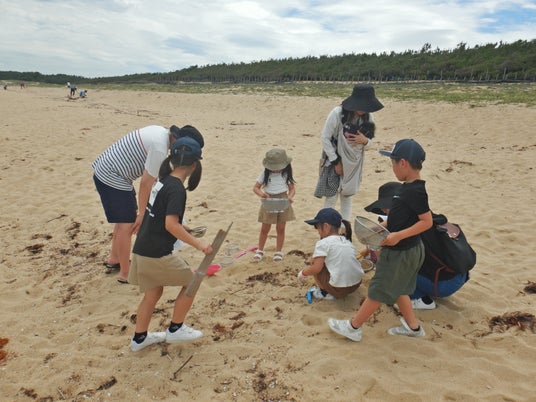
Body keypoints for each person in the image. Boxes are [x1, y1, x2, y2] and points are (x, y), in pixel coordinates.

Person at [328, 139, 433, 341]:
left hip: (401, 252)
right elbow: (402, 218)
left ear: (403, 163)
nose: (392, 167)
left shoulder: (415, 191)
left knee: (379, 288)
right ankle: (413, 327)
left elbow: (426, 222)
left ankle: (353, 327)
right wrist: (381, 227)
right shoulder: (407, 188)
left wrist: (398, 235)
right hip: (407, 249)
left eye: (393, 163)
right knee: (399, 288)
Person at [128, 136, 212, 352]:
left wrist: (185, 229)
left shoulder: (163, 181)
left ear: (172, 159)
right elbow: (170, 225)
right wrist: (199, 244)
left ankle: (139, 339)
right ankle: (176, 328)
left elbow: (159, 216)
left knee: (153, 293)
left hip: (142, 247)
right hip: (156, 252)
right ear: (195, 164)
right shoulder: (176, 189)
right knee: (192, 282)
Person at [92, 125, 204, 283]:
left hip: (108, 172)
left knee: (123, 222)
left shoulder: (160, 134)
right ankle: (125, 273)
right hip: (112, 176)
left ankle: (115, 259)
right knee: (127, 225)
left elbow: (154, 182)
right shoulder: (159, 147)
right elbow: (146, 183)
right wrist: (142, 214)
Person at [364, 181, 470, 310]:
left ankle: (421, 299)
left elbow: (388, 264)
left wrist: (375, 247)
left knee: (392, 272)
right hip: (460, 274)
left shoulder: (404, 231)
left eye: (386, 209)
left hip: (443, 285)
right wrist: (379, 227)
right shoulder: (424, 216)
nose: (385, 212)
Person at [314, 84, 383, 220]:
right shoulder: (337, 113)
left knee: (347, 196)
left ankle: (345, 228)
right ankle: (326, 226)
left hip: (354, 162)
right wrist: (336, 162)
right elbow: (325, 138)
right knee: (331, 196)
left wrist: (364, 141)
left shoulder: (368, 117)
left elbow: (370, 143)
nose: (363, 109)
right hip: (333, 158)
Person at [298, 208, 364, 300]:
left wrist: (303, 273)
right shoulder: (346, 241)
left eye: (317, 227)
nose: (317, 231)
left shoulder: (323, 243)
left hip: (339, 289)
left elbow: (316, 268)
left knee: (315, 263)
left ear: (326, 226)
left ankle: (323, 292)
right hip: (356, 284)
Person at [253, 148, 296, 262]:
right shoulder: (265, 174)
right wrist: (262, 194)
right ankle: (260, 250)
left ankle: (278, 251)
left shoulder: (286, 174)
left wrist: (290, 197)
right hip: (269, 201)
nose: (275, 169)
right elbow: (256, 187)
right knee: (265, 228)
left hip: (283, 200)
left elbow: (292, 189)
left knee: (281, 228)